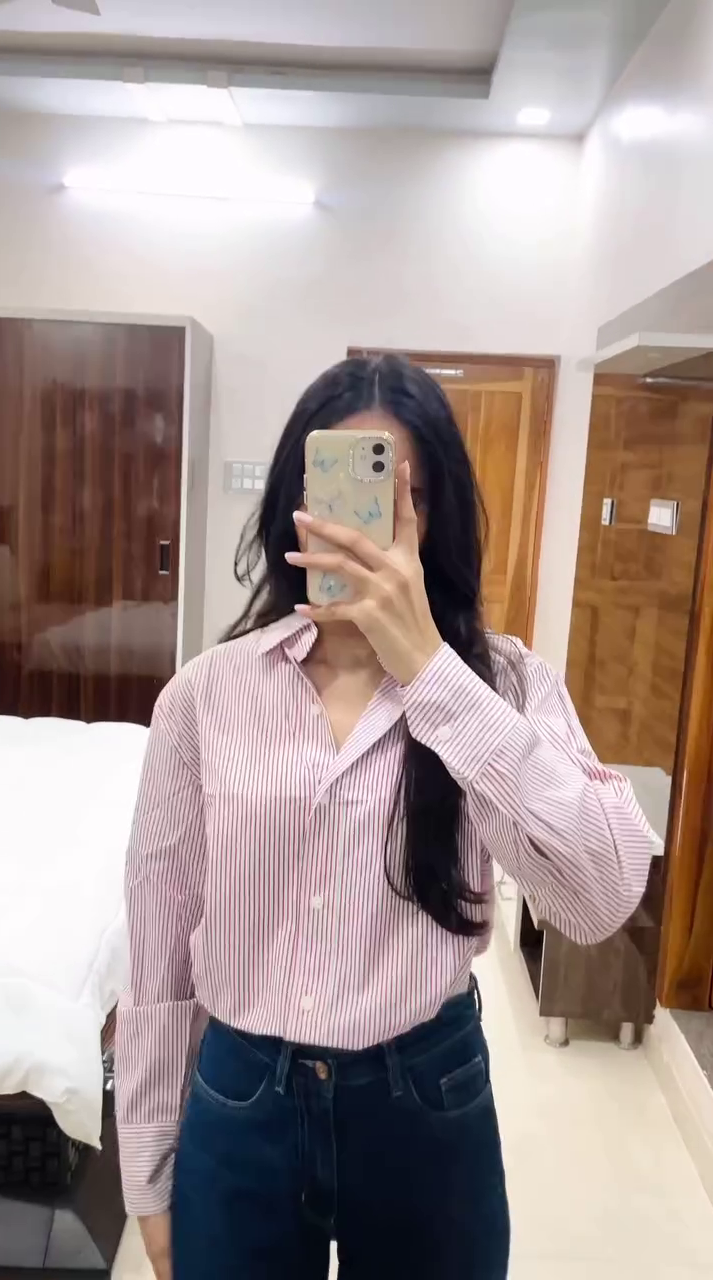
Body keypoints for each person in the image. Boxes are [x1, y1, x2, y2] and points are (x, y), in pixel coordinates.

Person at [116, 355, 655, 1280]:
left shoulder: (503, 685)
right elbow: (160, 944)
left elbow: (603, 894)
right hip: (241, 1101)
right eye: (341, 490)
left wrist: (433, 674)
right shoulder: (206, 696)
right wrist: (148, 1167)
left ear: (435, 518)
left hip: (426, 1100)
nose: (366, 528)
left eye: (402, 498)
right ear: (295, 506)